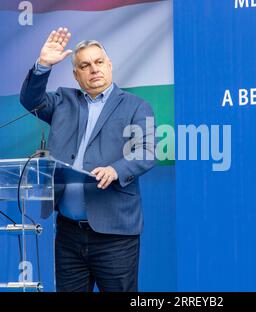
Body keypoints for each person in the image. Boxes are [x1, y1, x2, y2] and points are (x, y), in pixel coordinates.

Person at [20, 27, 156, 292]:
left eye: (99, 62)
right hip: (68, 233)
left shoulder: (136, 106)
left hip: (115, 234)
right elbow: (30, 100)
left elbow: (146, 151)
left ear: (109, 65)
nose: (94, 69)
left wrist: (116, 169)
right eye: (85, 65)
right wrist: (43, 65)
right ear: (76, 74)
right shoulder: (63, 101)